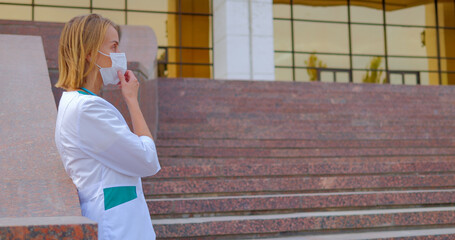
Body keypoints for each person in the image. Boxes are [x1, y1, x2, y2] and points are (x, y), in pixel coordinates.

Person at [54, 14, 161, 240]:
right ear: (90, 53)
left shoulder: (78, 103)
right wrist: (132, 100)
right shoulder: (87, 110)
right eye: (113, 47)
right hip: (116, 227)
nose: (118, 56)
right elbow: (148, 160)